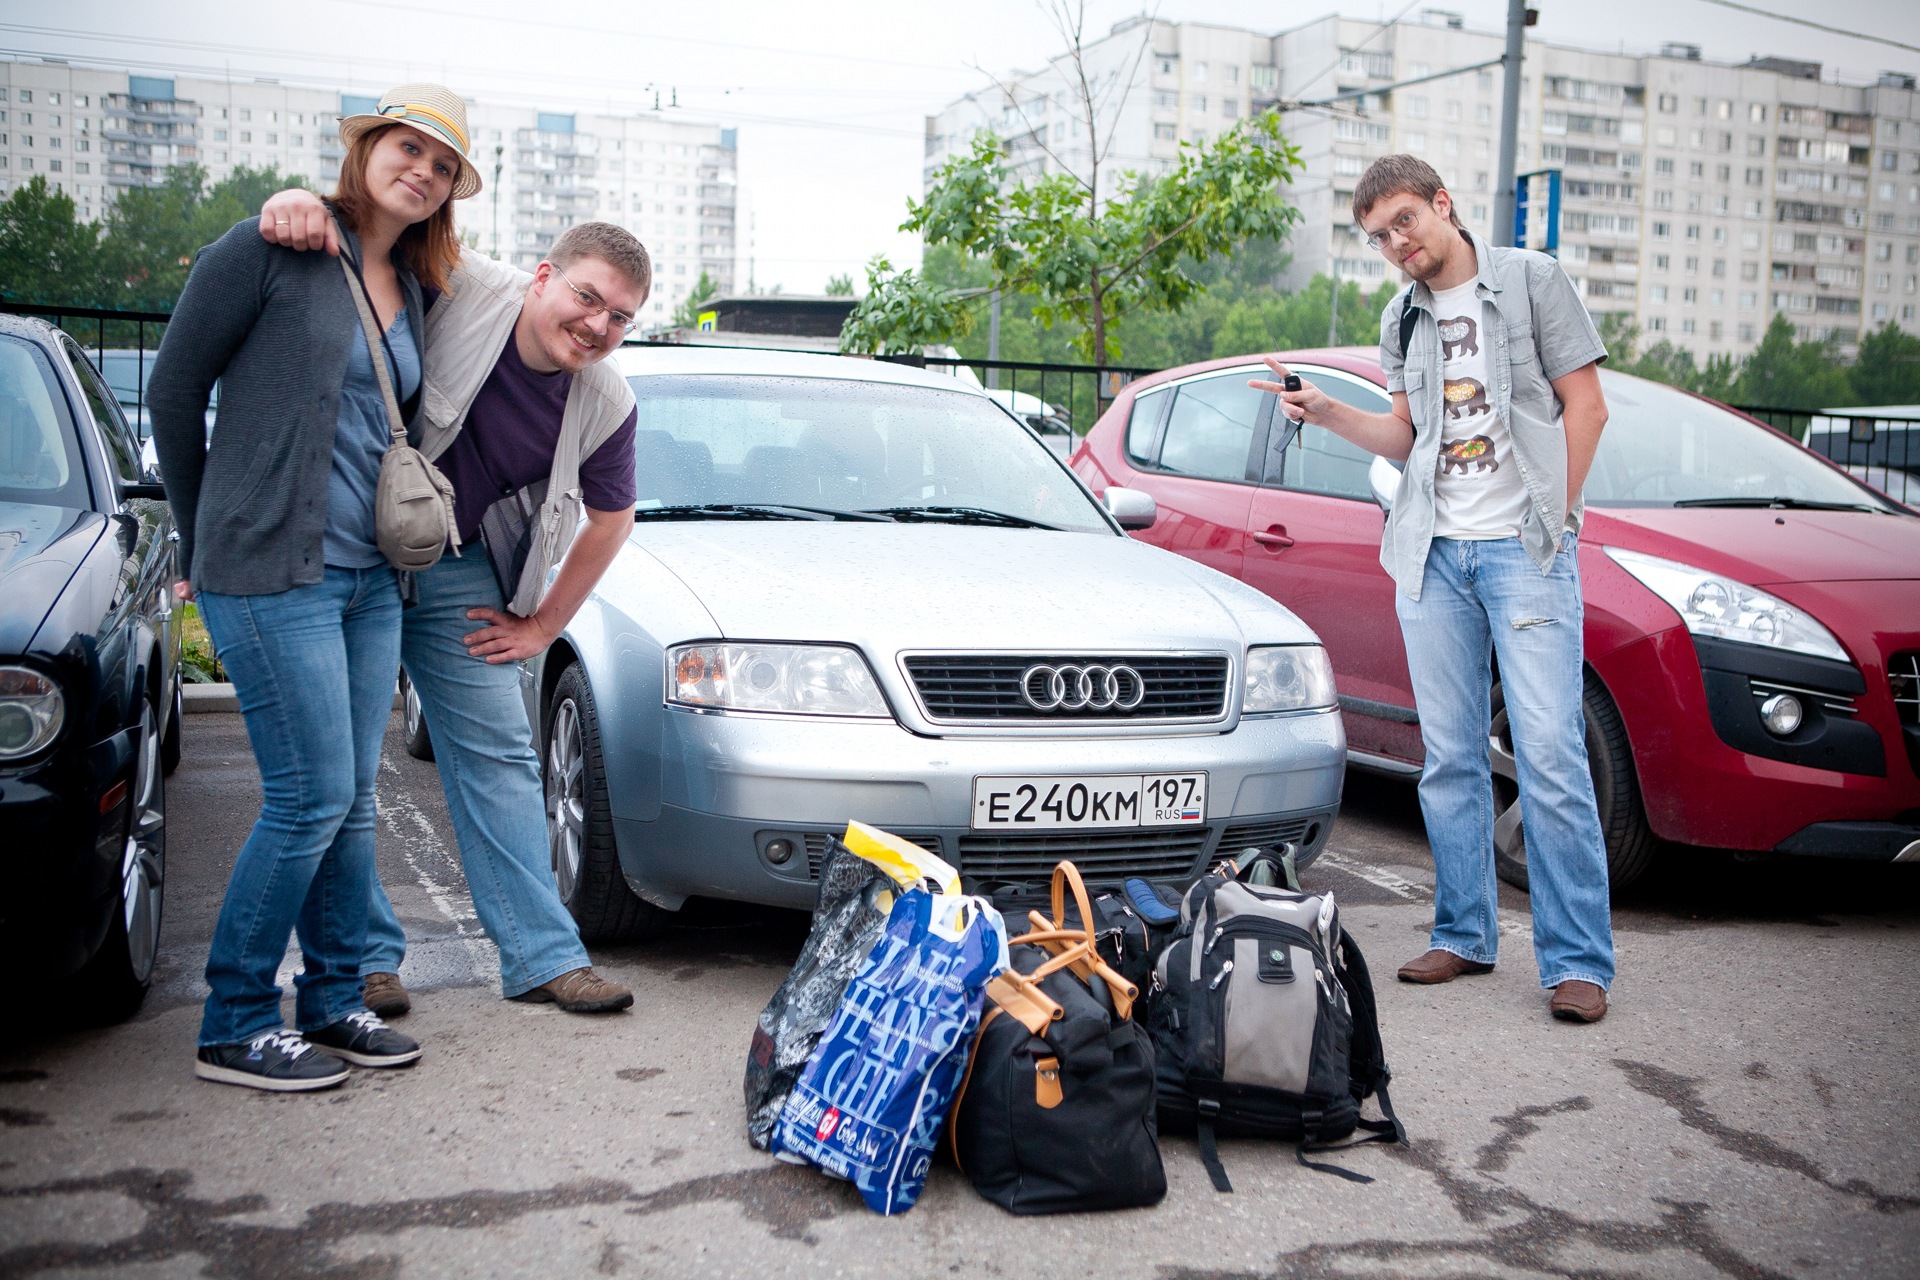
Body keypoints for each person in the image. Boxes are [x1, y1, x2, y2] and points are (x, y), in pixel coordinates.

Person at [149, 84, 480, 1090]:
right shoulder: (272, 248)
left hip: (371, 581)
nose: (418, 170)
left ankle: (334, 998)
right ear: (367, 149)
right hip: (268, 569)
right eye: (405, 148)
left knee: (346, 805)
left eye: (441, 165)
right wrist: (203, 532)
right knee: (307, 796)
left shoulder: (414, 282)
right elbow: (172, 387)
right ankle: (236, 1017)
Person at [257, 192, 647, 1017]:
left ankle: (543, 957)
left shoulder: (606, 400)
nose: (596, 325)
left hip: (456, 562)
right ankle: (362, 960)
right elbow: (371, 242)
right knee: (349, 767)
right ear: (544, 277)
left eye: (620, 317)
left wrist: (543, 624)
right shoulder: (462, 285)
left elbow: (612, 520)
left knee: (501, 754)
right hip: (351, 544)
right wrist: (303, 201)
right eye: (586, 297)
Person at [1250, 154, 1617, 1023]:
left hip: (1524, 548)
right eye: (1378, 236)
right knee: (1449, 756)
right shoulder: (1401, 318)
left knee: (1550, 754)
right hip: (1432, 554)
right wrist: (1325, 411)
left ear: (1442, 204)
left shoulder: (1530, 282)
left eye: (1404, 221)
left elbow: (1587, 407)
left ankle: (1577, 961)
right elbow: (1405, 436)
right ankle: (1464, 934)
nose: (1395, 243)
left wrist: (1556, 525)